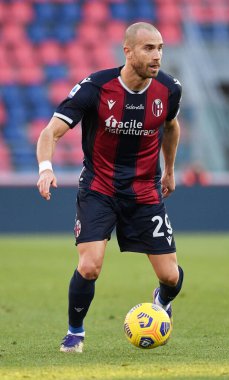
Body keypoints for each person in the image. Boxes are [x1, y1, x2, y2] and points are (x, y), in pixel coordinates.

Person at [37, 22, 184, 353]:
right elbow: (50, 132)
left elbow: (171, 127)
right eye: (149, 48)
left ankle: (161, 298)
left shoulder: (169, 90)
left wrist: (170, 170)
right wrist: (45, 168)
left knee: (172, 277)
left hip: (145, 192)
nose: (157, 56)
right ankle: (75, 332)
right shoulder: (95, 88)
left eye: (160, 48)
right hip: (99, 189)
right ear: (128, 51)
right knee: (90, 266)